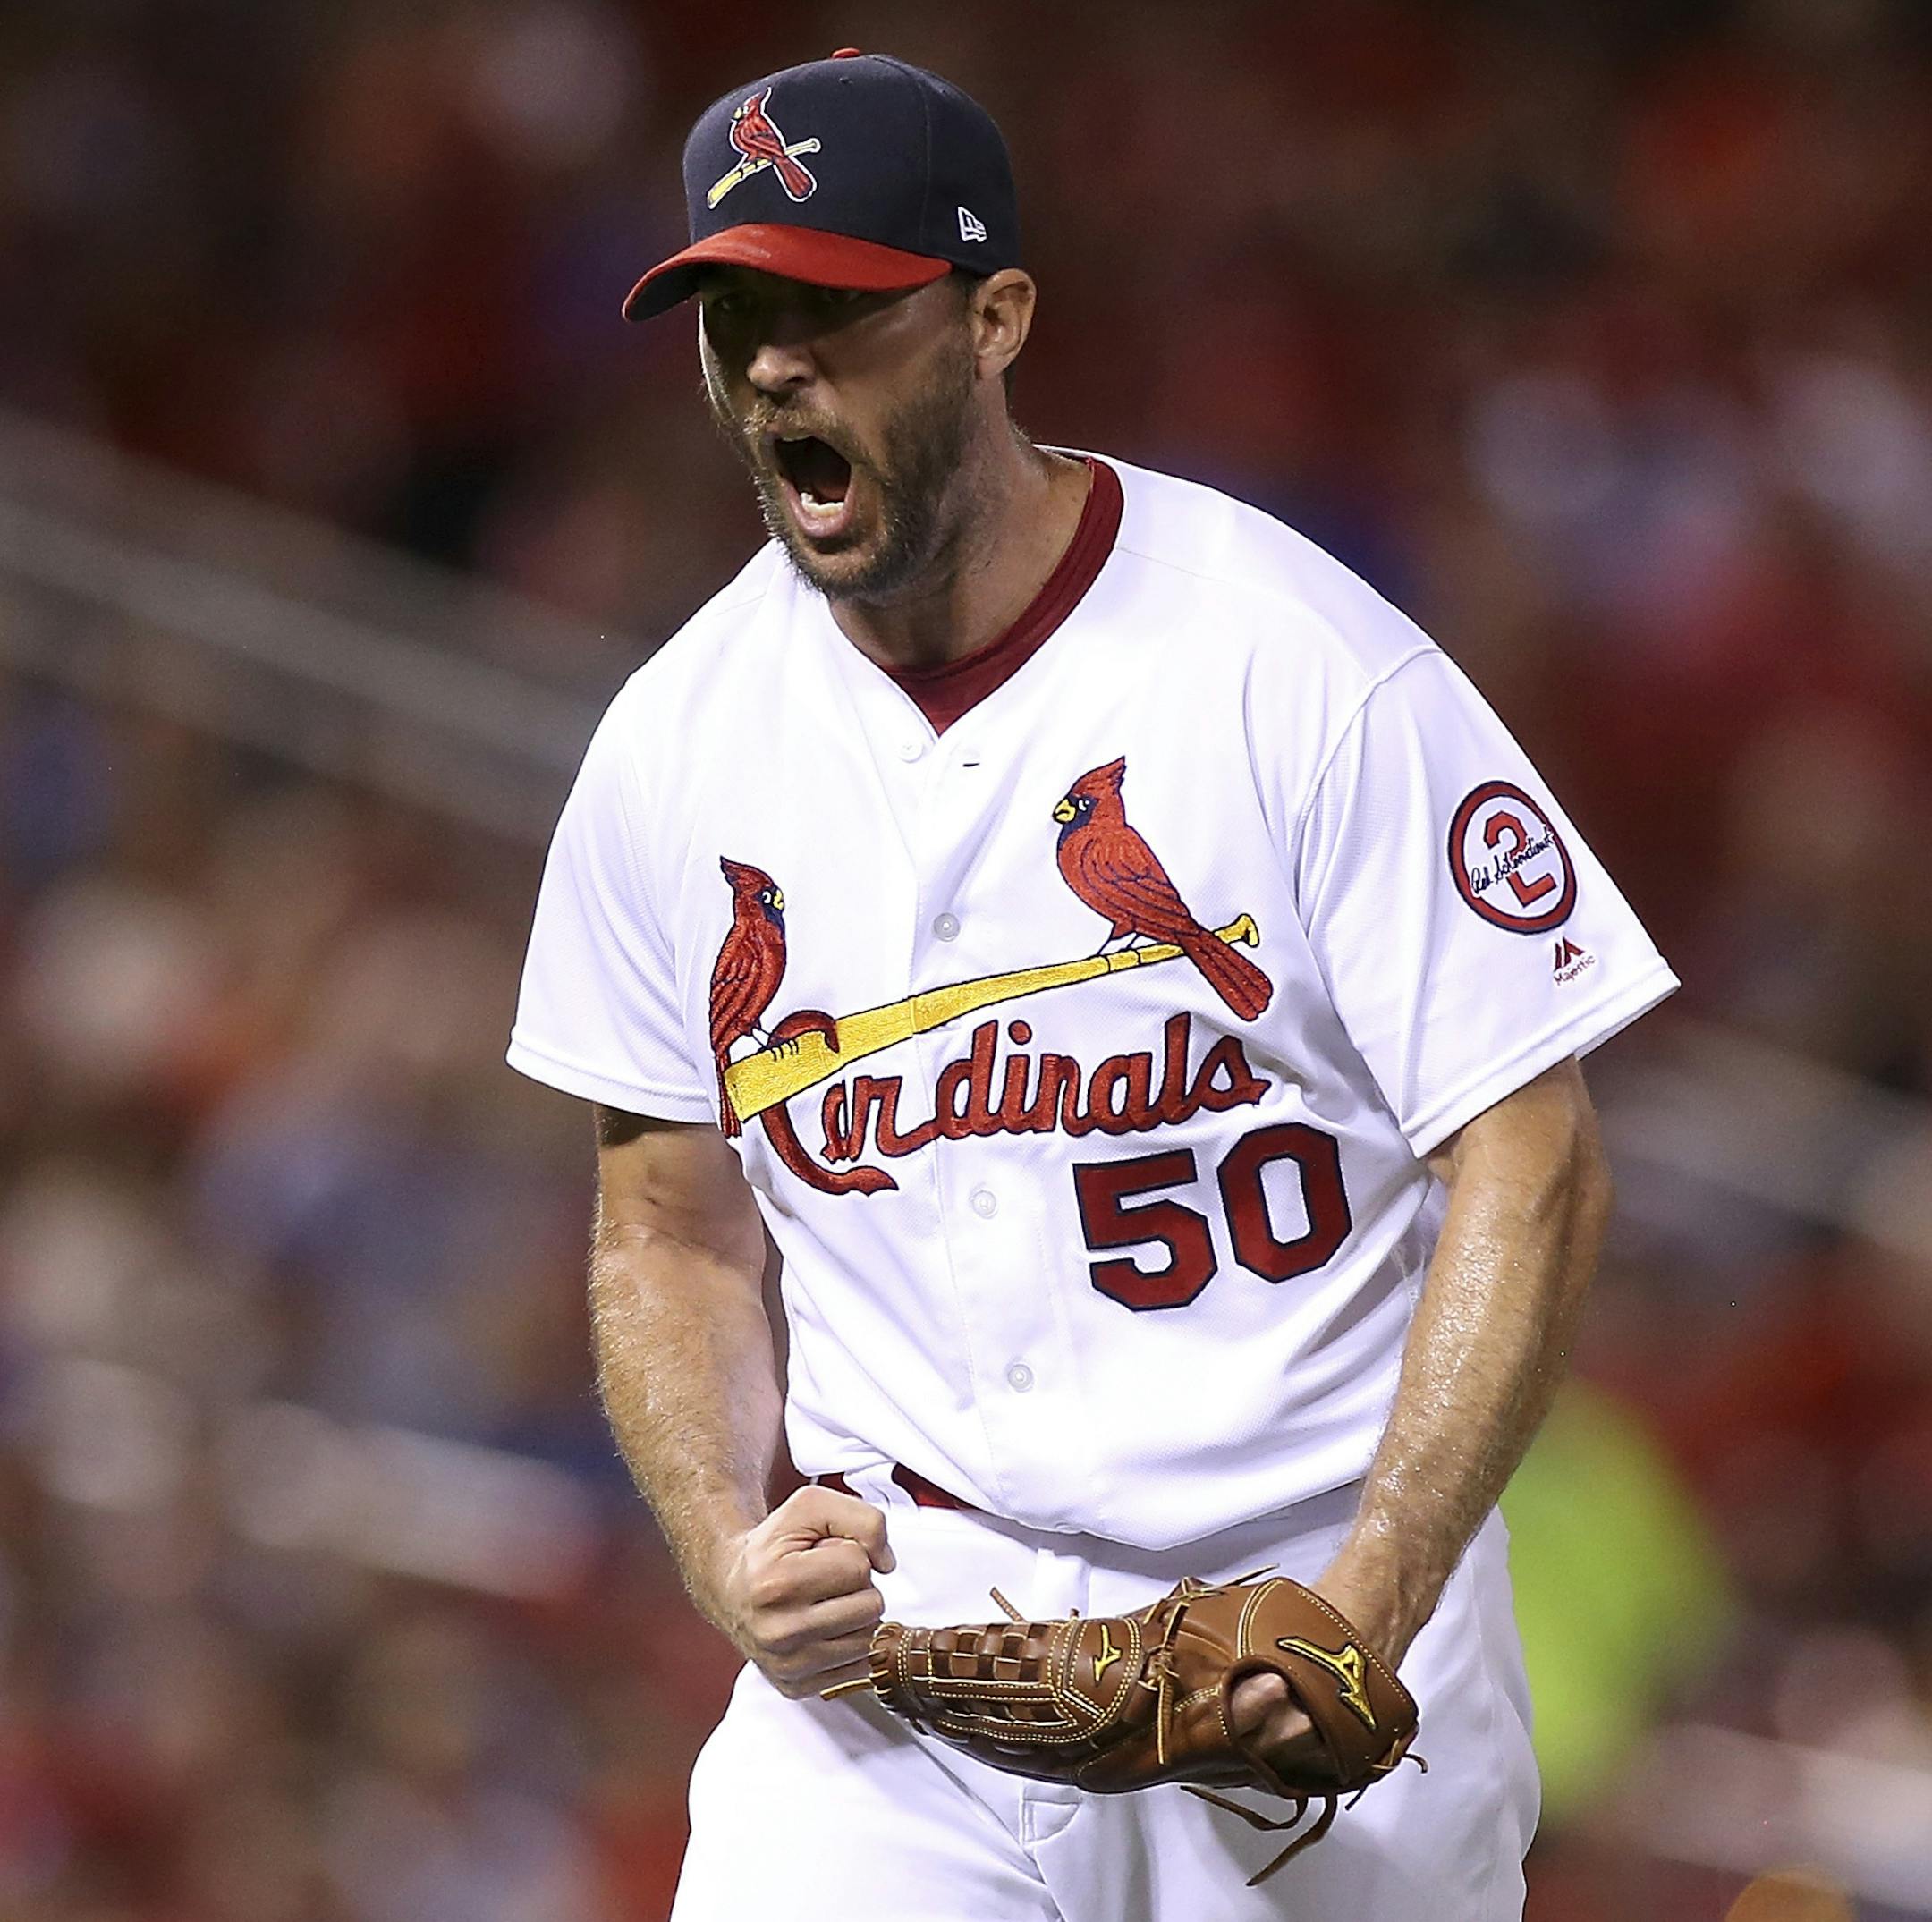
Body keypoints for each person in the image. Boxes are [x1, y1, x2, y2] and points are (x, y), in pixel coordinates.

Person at [507, 47, 1677, 1922]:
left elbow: (1535, 1153)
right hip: (911, 1642)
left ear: (994, 318)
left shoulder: (1289, 665)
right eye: (736, 319)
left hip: (1309, 1613)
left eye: (837, 309)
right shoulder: (673, 748)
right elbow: (664, 1222)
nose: (777, 366)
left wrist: (1380, 1580)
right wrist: (728, 1546)